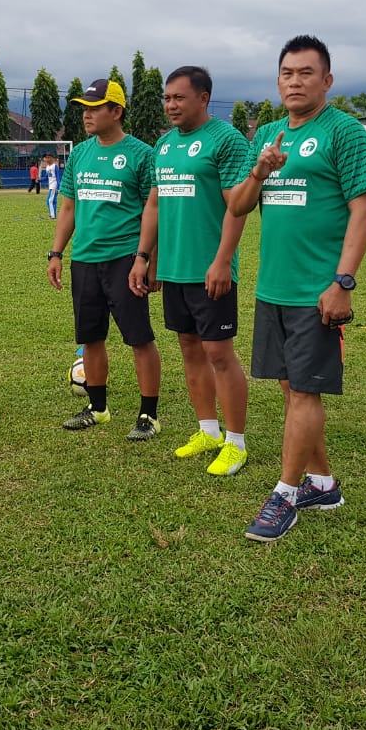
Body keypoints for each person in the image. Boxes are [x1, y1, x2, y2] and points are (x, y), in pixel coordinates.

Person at [227, 35, 366, 543]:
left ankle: (285, 496)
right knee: (291, 388)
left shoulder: (346, 133)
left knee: (306, 391)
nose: (295, 81)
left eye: (306, 73)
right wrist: (261, 168)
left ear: (327, 81)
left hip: (318, 292)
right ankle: (323, 484)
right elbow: (240, 206)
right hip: (273, 287)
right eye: (287, 73)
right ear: (278, 82)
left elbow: (364, 210)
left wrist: (343, 283)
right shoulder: (269, 135)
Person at [128, 65, 251, 476]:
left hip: (210, 269)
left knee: (219, 352)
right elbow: (155, 205)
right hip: (175, 269)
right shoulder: (163, 145)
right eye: (167, 98)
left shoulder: (227, 140)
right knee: (189, 348)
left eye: (178, 98)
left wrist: (222, 261)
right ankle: (208, 430)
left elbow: (237, 207)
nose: (170, 105)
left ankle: (236, 443)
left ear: (203, 98)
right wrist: (144, 257)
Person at [47, 78, 161, 440]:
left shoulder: (142, 154)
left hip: (125, 259)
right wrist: (57, 253)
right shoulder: (80, 153)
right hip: (85, 259)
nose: (87, 114)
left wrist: (148, 258)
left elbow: (152, 210)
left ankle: (149, 416)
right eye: (85, 108)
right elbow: (69, 206)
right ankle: (98, 409)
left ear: (116, 111)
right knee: (91, 337)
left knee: (139, 338)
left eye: (95, 108)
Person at [43, 153, 61, 219]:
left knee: (49, 201)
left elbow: (58, 177)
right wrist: (39, 180)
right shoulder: (47, 167)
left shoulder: (54, 166)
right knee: (53, 201)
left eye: (48, 157)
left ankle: (52, 216)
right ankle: (54, 215)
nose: (47, 159)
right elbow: (46, 177)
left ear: (52, 158)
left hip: (54, 186)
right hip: (51, 186)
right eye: (46, 158)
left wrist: (58, 187)